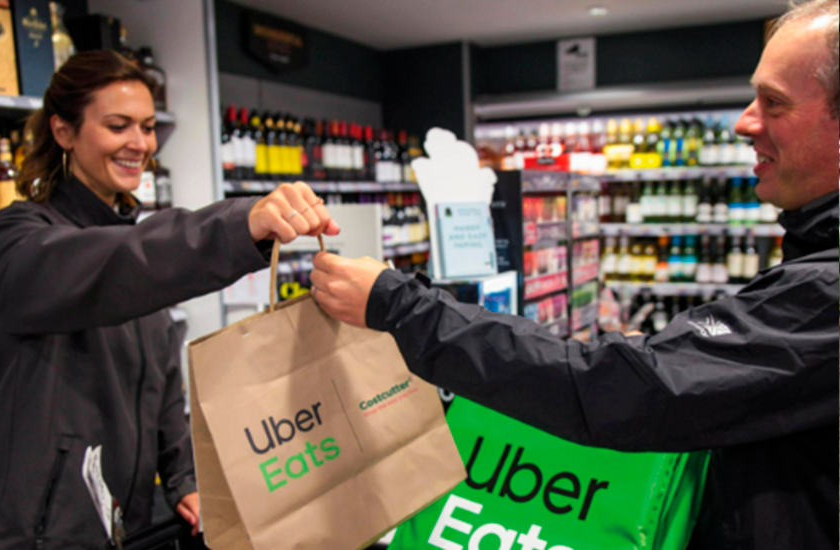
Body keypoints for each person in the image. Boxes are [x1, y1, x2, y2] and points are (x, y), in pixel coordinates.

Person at [309, 1, 839, 548]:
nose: (745, 121)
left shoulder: (827, 292)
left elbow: (616, 391)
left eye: (774, 102)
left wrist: (397, 306)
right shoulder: (816, 262)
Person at [0, 51, 338, 550]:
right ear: (63, 131)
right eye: (118, 126)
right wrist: (237, 225)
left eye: (146, 126)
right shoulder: (11, 240)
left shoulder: (130, 247)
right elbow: (116, 261)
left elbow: (161, 387)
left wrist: (183, 478)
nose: (139, 144)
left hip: (126, 522)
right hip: (37, 531)